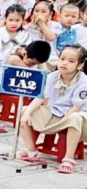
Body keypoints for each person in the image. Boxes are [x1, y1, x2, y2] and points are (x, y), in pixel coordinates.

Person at [20, 44, 87, 173]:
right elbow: (41, 97)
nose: (64, 63)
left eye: (71, 61)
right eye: (62, 59)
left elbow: (77, 107)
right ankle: (31, 151)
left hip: (78, 117)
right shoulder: (51, 76)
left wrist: (62, 123)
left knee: (75, 118)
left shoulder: (84, 81)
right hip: (56, 112)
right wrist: (28, 113)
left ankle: (68, 159)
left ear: (79, 65)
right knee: (24, 111)